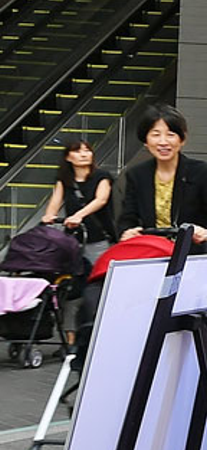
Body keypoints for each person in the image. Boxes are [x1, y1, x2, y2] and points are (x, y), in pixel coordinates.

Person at [116, 104, 207, 253]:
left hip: (193, 253)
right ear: (145, 141)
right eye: (156, 135)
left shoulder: (200, 171)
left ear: (182, 139)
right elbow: (127, 218)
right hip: (152, 253)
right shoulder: (136, 175)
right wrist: (129, 232)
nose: (163, 142)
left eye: (170, 134)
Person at [41, 138, 115, 345]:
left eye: (87, 150)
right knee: (72, 288)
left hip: (99, 240)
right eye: (78, 151)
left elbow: (100, 200)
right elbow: (54, 203)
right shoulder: (64, 180)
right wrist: (49, 216)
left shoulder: (102, 176)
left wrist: (79, 215)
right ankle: (72, 339)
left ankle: (101, 334)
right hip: (73, 241)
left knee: (99, 285)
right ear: (68, 157)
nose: (84, 154)